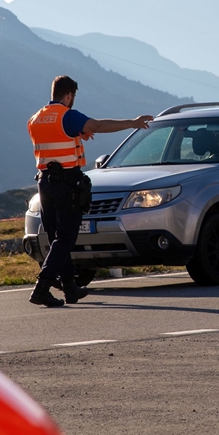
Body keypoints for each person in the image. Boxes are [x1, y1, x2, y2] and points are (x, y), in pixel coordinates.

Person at [27, 75, 152, 307]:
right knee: (65, 238)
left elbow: (55, 139)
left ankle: (70, 289)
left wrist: (76, 133)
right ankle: (42, 287)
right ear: (69, 95)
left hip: (44, 182)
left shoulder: (35, 118)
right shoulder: (68, 115)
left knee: (56, 237)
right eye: (73, 96)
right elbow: (97, 126)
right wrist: (132, 123)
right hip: (66, 182)